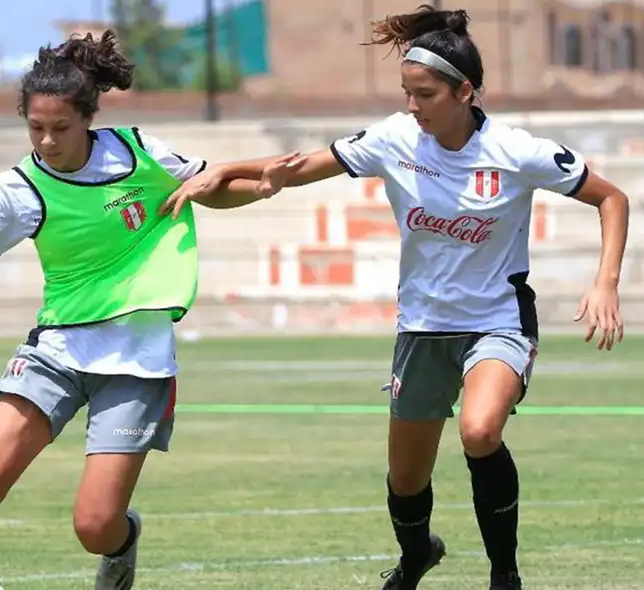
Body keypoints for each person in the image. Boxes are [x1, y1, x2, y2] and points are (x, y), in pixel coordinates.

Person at [161, 5, 628, 590]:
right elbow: (301, 165)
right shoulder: (395, 138)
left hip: (496, 322)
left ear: (464, 92)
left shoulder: (518, 151)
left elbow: (612, 199)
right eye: (406, 93)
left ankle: (504, 574)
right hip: (422, 328)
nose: (412, 106)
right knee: (406, 479)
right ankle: (416, 556)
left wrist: (605, 281)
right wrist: (227, 169)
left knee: (481, 432)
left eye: (424, 94)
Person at [0, 30, 300, 590]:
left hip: (138, 361)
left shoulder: (137, 151)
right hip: (56, 351)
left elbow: (211, 186)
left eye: (60, 128)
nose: (48, 141)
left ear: (87, 117)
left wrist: (261, 187)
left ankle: (123, 543)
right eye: (36, 128)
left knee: (96, 525)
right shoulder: (18, 188)